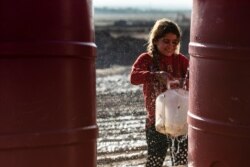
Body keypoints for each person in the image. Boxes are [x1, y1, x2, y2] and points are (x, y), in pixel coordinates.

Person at [130, 18, 189, 167]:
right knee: (155, 161)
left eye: (174, 42)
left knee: (181, 161)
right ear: (155, 40)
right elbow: (134, 77)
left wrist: (182, 83)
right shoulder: (146, 59)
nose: (170, 46)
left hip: (180, 119)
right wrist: (155, 75)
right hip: (156, 120)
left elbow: (195, 81)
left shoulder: (181, 61)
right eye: (166, 41)